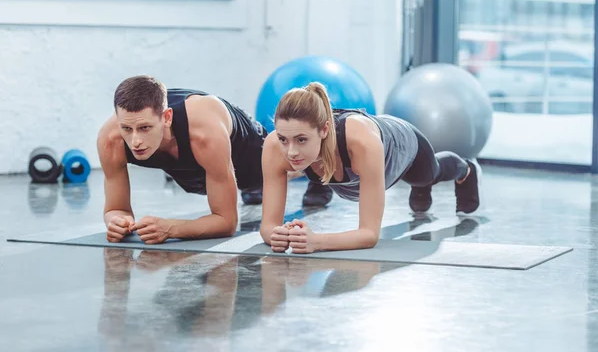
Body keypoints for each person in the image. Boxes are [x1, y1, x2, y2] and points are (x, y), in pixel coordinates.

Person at [97, 75, 331, 244]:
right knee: (229, 182)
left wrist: (171, 228)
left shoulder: (204, 136)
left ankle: (319, 172)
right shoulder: (111, 140)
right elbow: (116, 209)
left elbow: (227, 222)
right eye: (126, 128)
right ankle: (248, 188)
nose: (135, 140)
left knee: (290, 160)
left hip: (243, 150)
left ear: (167, 118)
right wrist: (118, 221)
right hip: (192, 169)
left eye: (145, 127)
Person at [259, 82, 481, 254]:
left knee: (427, 176)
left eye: (301, 140)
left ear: (324, 130)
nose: (290, 152)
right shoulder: (274, 147)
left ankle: (466, 170)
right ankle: (420, 186)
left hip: (404, 146)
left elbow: (369, 234)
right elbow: (267, 227)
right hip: (347, 163)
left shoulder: (362, 143)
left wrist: (316, 241)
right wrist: (280, 236)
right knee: (312, 162)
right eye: (283, 139)